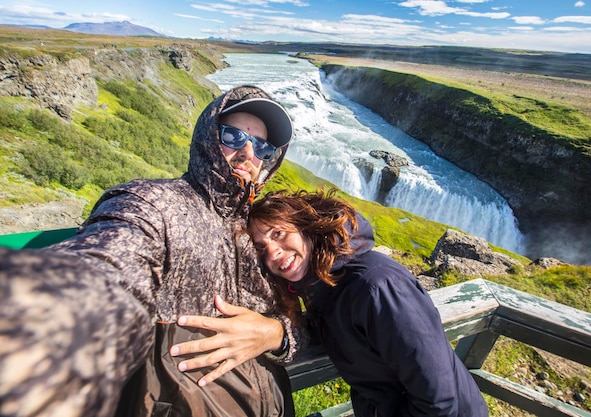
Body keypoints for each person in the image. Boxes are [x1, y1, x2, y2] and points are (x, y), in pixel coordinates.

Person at [0, 85, 306, 417]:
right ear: (207, 137)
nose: (248, 153)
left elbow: (306, 320)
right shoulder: (155, 204)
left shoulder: (264, 233)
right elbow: (111, 266)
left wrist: (276, 334)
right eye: (233, 137)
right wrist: (46, 318)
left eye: (261, 145)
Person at [248, 189, 489, 417]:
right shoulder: (325, 287)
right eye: (261, 249)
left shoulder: (377, 287)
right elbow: (332, 332)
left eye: (278, 234)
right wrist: (278, 337)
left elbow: (438, 397)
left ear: (305, 227)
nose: (273, 253)